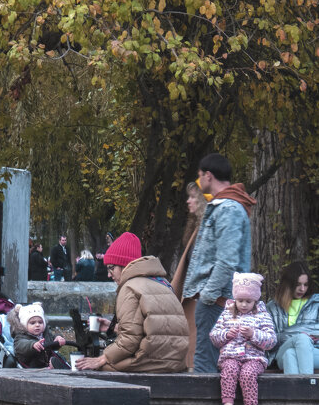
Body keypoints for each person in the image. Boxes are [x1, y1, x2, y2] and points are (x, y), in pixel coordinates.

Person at [183, 153, 256, 373]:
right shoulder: (223, 207)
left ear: (208, 175)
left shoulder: (228, 209)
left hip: (218, 301)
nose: (199, 181)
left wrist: (208, 296)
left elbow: (227, 261)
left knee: (205, 366)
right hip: (218, 300)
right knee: (210, 363)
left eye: (199, 176)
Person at [76, 232, 188, 373]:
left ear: (124, 265)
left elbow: (130, 340)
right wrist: (114, 328)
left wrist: (102, 358)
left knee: (96, 370)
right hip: (176, 362)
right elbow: (154, 329)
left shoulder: (129, 287)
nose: (109, 274)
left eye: (111, 268)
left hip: (150, 362)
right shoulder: (163, 283)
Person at [210, 272, 276, 405]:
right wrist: (226, 334)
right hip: (231, 356)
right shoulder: (227, 314)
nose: (244, 304)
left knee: (247, 374)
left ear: (255, 300)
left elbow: (271, 341)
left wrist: (254, 334)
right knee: (229, 369)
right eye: (240, 301)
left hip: (254, 358)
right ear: (235, 298)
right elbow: (214, 337)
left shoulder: (262, 315)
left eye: (248, 301)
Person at [170, 181, 208, 370]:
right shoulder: (197, 231)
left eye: (193, 197)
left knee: (197, 361)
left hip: (201, 302)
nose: (188, 201)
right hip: (193, 301)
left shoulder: (206, 232)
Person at [266, 263, 319, 375]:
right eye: (298, 284)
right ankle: (308, 387)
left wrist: (285, 334)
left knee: (290, 354)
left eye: (306, 284)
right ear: (288, 284)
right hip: (280, 353)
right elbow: (269, 340)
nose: (302, 289)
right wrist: (302, 333)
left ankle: (297, 391)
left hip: (314, 351)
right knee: (302, 339)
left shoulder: (317, 303)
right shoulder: (272, 307)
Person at [9, 302, 66, 368]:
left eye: (40, 322)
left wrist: (58, 339)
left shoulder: (45, 334)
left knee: (59, 358)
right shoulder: (20, 337)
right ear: (24, 325)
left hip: (46, 363)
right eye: (32, 323)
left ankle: (59, 366)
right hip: (30, 367)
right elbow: (21, 345)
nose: (37, 325)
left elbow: (52, 341)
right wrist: (32, 345)